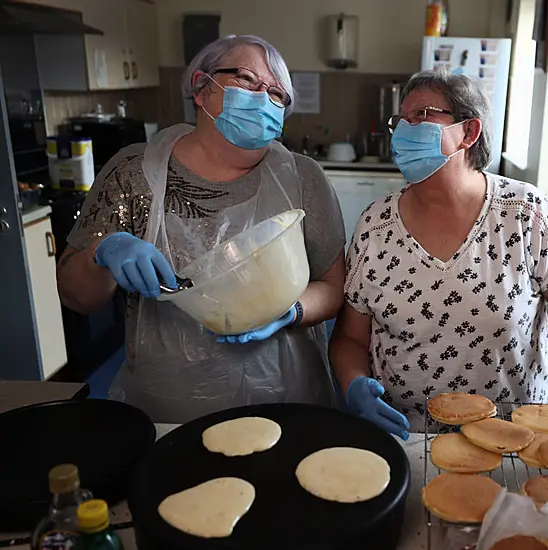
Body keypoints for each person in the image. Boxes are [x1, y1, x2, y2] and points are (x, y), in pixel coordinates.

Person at [329, 70, 548, 439]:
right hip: (408, 436)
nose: (405, 130)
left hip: (518, 439)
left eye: (422, 115)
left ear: (469, 133)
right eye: (401, 120)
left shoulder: (523, 215)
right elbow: (351, 339)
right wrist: (354, 386)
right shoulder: (375, 227)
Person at [57, 35, 346, 423]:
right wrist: (104, 250)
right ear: (201, 87)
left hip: (286, 402)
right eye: (247, 79)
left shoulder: (303, 178)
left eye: (277, 94)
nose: (264, 97)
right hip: (170, 407)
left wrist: (290, 311)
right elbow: (78, 297)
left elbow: (333, 286)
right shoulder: (134, 174)